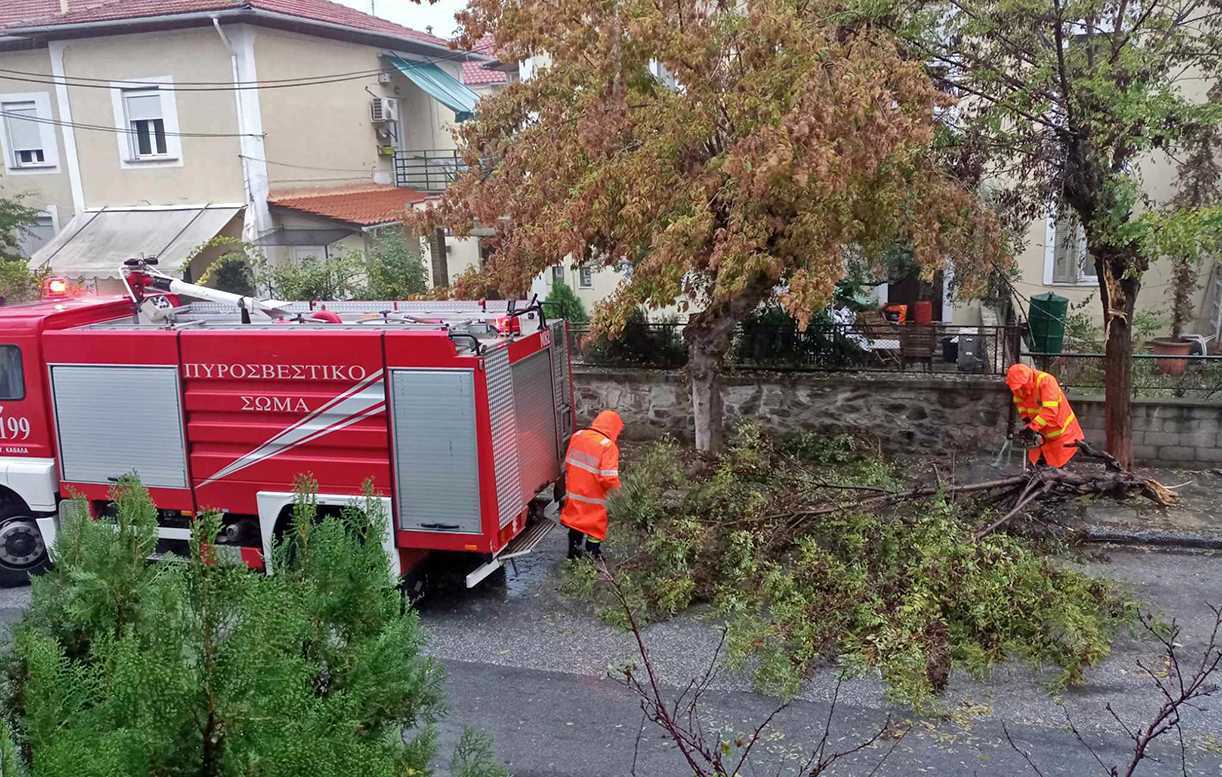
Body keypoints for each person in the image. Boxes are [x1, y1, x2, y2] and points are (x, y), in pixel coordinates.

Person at [559, 410, 623, 560]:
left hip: (575, 493)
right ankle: (592, 552)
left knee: (576, 523)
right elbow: (608, 478)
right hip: (594, 497)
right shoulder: (608, 447)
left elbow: (569, 462)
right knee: (595, 527)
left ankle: (573, 553)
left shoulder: (578, 436)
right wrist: (618, 494)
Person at [1005, 363, 1084, 468]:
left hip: (1062, 435)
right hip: (1041, 435)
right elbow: (1021, 405)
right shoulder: (1018, 388)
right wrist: (1027, 421)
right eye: (1016, 388)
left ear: (1029, 379)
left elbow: (1050, 410)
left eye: (1021, 386)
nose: (1019, 390)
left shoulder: (1046, 381)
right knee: (1037, 470)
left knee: (1058, 473)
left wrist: (1032, 427)